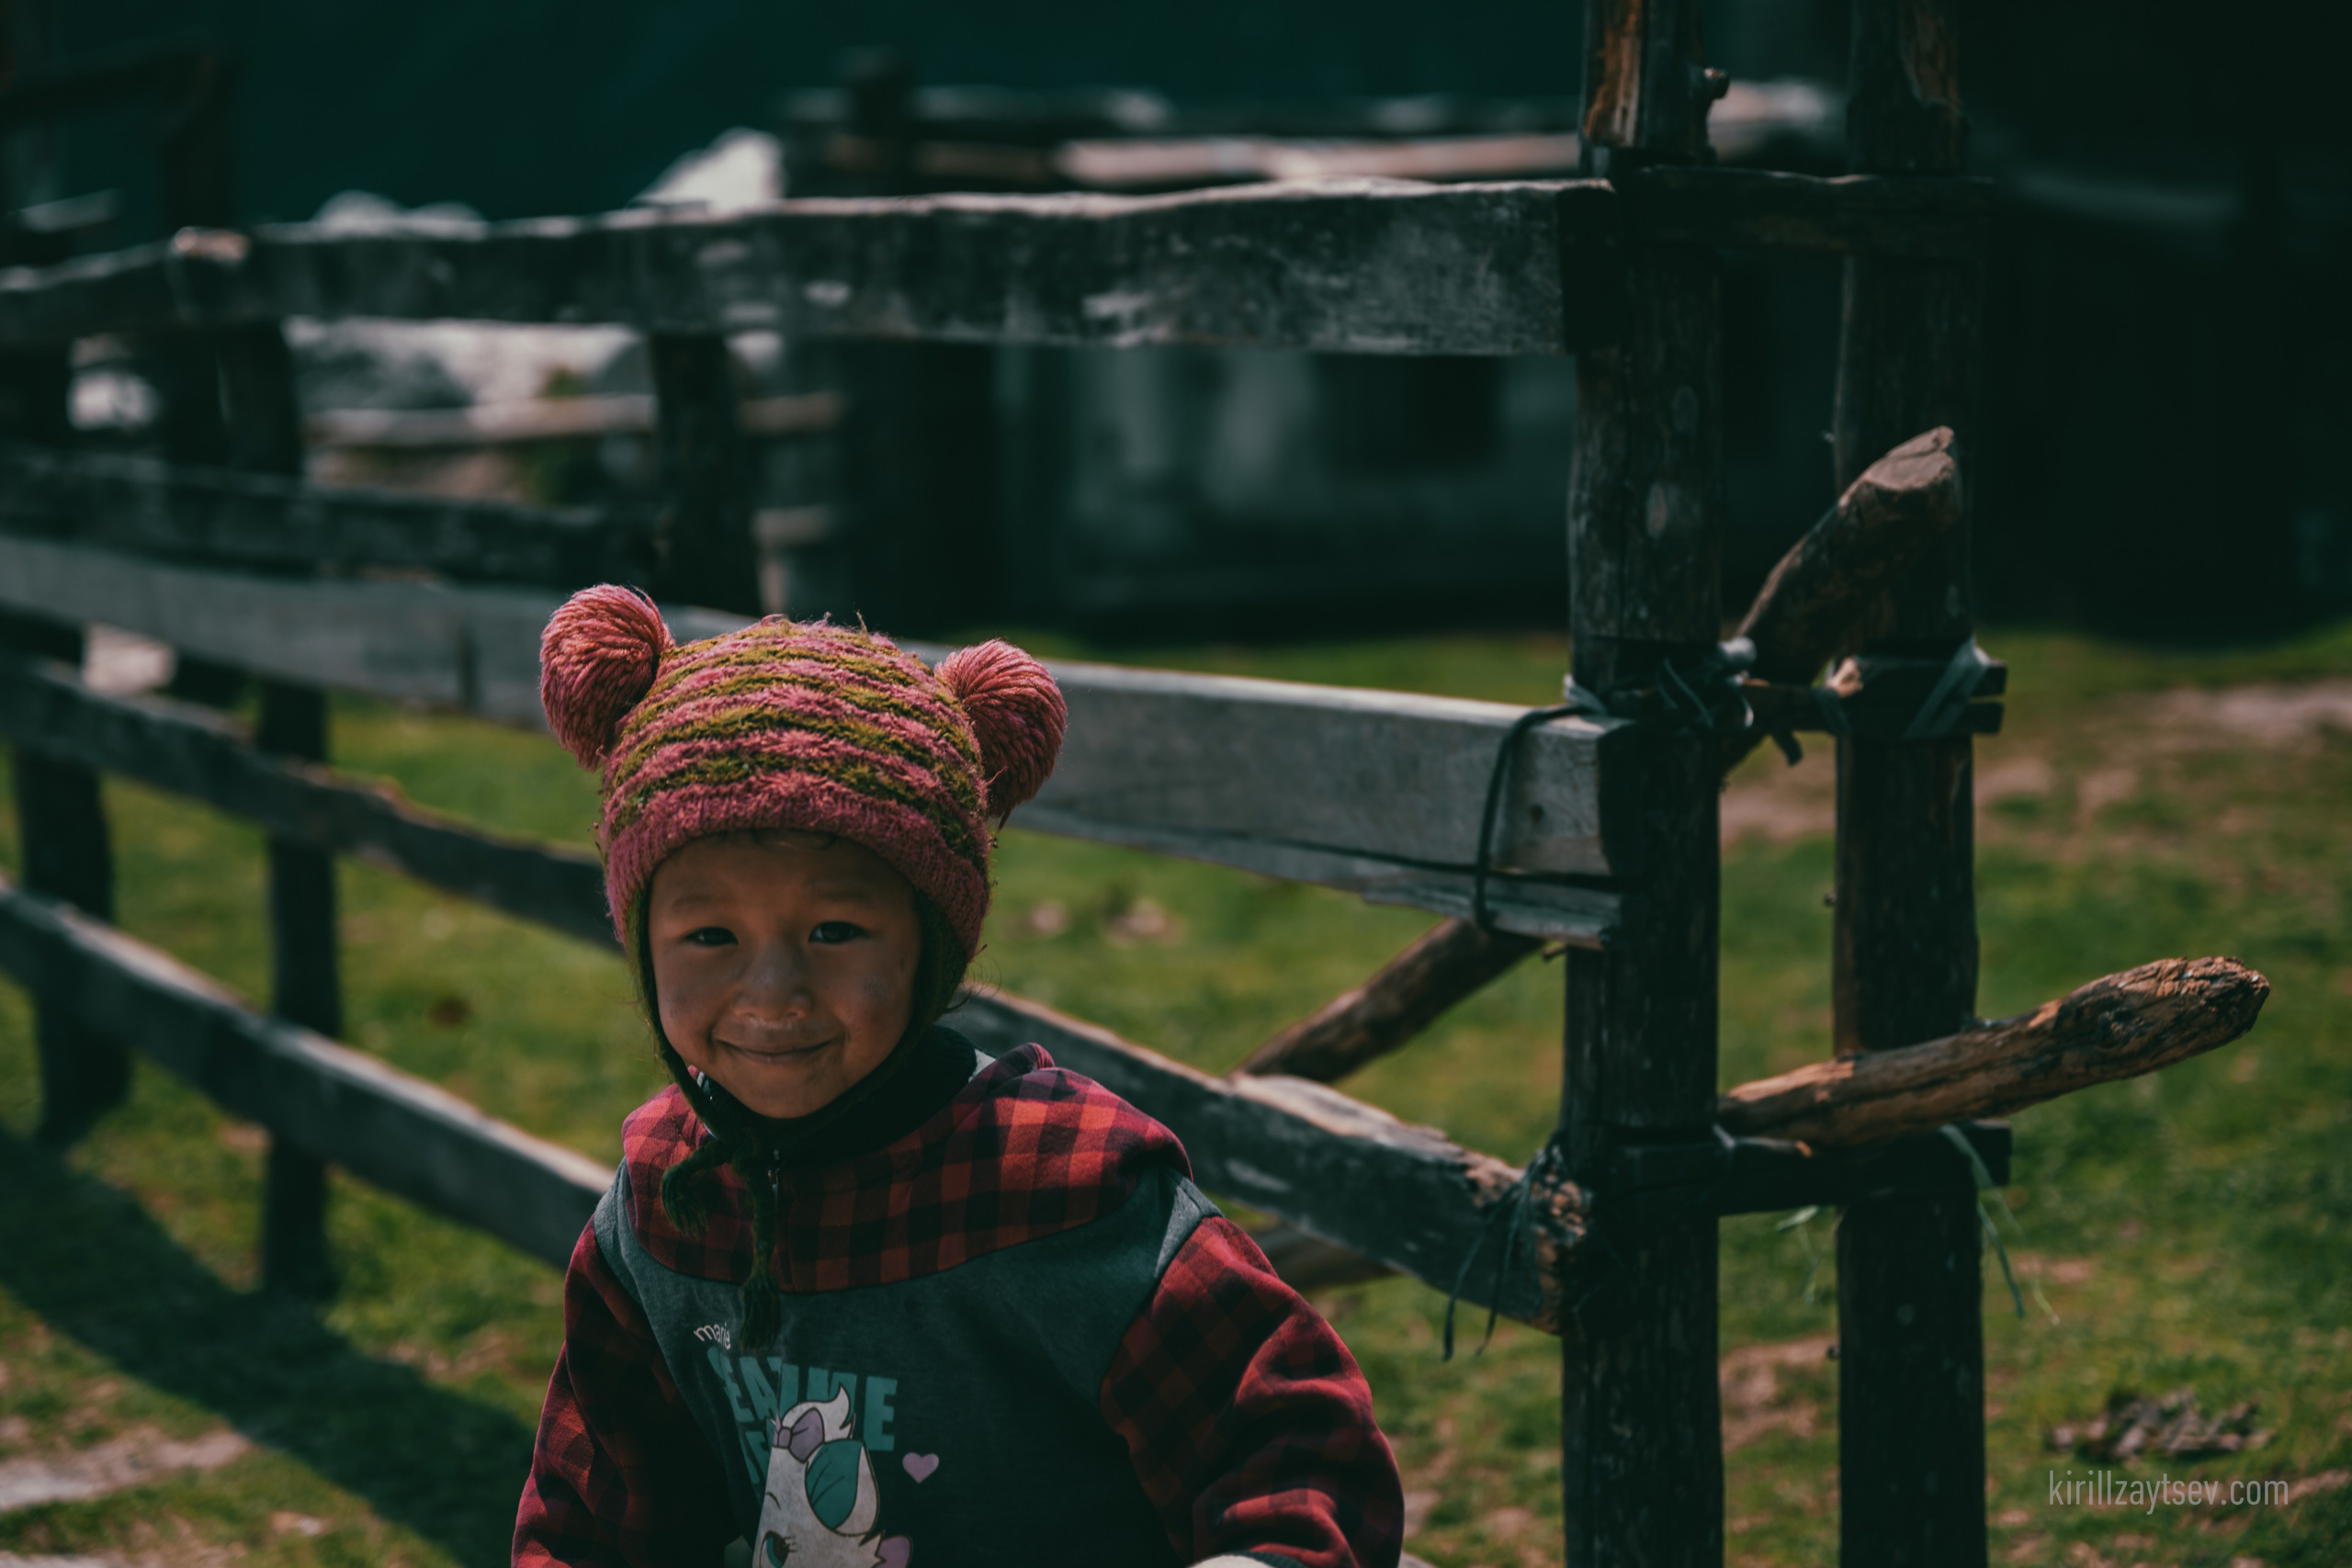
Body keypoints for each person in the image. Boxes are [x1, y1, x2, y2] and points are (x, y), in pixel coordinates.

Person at [513, 585, 1404, 1568]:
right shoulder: (661, 1212)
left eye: (835, 932)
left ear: (930, 949)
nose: (773, 993)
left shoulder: (1062, 1191)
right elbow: (595, 1524)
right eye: (709, 935)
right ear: (642, 947)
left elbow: (1292, 1451)